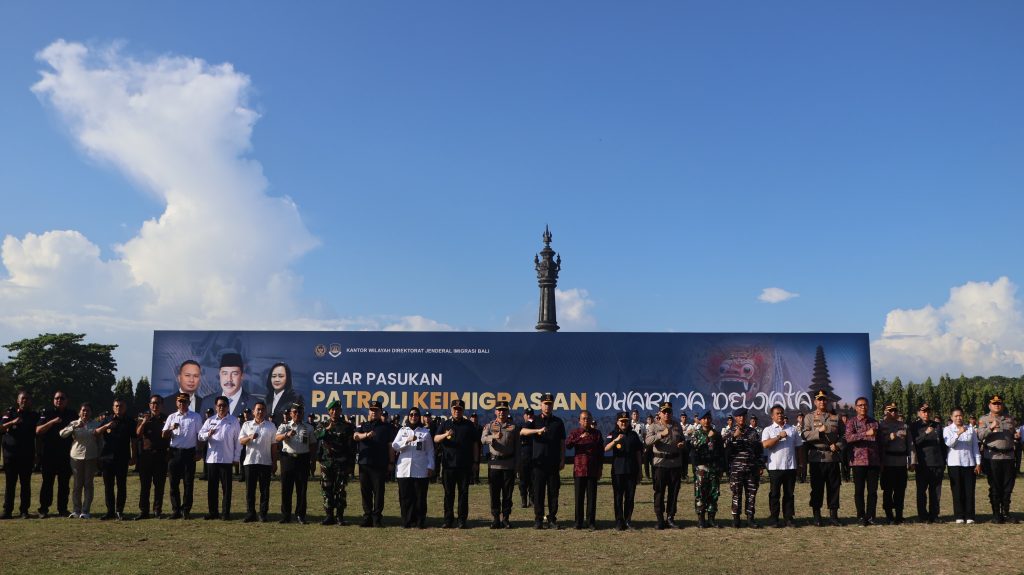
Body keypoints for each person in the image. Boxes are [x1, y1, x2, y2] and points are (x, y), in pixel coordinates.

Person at [519, 393, 566, 529]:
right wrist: (537, 431)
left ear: (552, 405)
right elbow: (522, 431)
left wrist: (562, 459)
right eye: (545, 404)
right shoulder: (534, 420)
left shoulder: (558, 422)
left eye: (550, 404)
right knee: (538, 492)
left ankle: (552, 519)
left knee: (553, 492)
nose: (547, 406)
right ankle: (538, 519)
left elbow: (562, 443)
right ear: (540, 405)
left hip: (553, 463)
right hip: (538, 463)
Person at [800, 390, 845, 526]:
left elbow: (844, 436)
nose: (822, 402)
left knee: (834, 487)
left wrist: (837, 445)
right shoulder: (809, 417)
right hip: (816, 458)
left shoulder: (836, 418)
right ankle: (817, 515)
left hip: (832, 457)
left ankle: (833, 515)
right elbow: (805, 435)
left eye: (824, 399)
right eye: (819, 399)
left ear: (828, 401)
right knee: (817, 488)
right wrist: (818, 433)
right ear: (815, 402)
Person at [434, 399, 477, 528]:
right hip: (448, 465)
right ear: (451, 410)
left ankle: (462, 520)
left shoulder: (469, 425)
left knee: (463, 494)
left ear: (463, 411)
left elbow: (475, 444)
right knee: (448, 494)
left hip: (464, 465)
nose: (457, 411)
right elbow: (436, 439)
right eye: (454, 409)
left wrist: (476, 462)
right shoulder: (445, 423)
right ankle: (448, 520)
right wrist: (445, 434)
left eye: (459, 409)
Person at [197, 395, 241, 520]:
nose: (222, 407)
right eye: (219, 405)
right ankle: (213, 512)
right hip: (212, 459)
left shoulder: (233, 421)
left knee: (226, 489)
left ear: (228, 407)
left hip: (227, 460)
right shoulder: (210, 421)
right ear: (216, 407)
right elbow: (200, 436)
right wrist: (207, 434)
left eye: (224, 405)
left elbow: (238, 441)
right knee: (212, 488)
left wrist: (236, 457)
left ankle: (225, 513)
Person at [977, 394, 1018, 523]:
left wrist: (1016, 436)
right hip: (993, 457)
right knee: (995, 486)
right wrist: (990, 427)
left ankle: (1006, 512)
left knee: (1008, 487)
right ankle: (996, 514)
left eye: (999, 403)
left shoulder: (1009, 419)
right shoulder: (984, 419)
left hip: (1009, 457)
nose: (997, 405)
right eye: (994, 403)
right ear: (990, 405)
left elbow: (1013, 434)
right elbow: (980, 436)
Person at [162, 392, 203, 519]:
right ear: (176, 403)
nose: (182, 404)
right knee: (173, 483)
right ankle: (176, 510)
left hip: (189, 453)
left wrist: (199, 452)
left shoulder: (195, 417)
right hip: (174, 453)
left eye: (184, 402)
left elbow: (200, 436)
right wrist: (171, 429)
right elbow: (164, 435)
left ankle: (186, 510)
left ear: (189, 403)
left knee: (188, 483)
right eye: (180, 401)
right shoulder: (172, 417)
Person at [392, 407, 434, 528]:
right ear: (408, 416)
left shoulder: (425, 432)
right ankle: (407, 521)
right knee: (405, 497)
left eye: (416, 415)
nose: (413, 417)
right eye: (411, 414)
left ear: (419, 417)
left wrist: (431, 466)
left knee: (420, 497)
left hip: (420, 469)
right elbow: (395, 446)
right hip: (404, 469)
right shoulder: (402, 430)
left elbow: (430, 451)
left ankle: (420, 521)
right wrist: (407, 440)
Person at [645, 401, 685, 529]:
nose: (667, 414)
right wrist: (660, 434)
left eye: (669, 412)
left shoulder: (677, 425)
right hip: (660, 464)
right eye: (664, 412)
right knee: (659, 492)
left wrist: (682, 444)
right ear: (660, 413)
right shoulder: (654, 426)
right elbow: (647, 441)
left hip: (675, 464)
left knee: (673, 493)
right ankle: (660, 519)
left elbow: (682, 439)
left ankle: (670, 517)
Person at [35, 390, 75, 518]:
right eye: (57, 398)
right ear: (53, 400)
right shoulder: (46, 413)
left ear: (67, 400)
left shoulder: (72, 414)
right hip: (49, 454)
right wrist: (52, 422)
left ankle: (62, 509)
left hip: (65, 454)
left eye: (62, 398)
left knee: (64, 484)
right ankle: (44, 509)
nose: (59, 400)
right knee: (47, 483)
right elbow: (38, 431)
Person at [761, 404, 803, 528]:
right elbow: (765, 445)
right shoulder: (768, 430)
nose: (780, 415)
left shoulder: (792, 429)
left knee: (789, 494)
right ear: (772, 416)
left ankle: (788, 518)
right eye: (777, 413)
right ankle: (774, 518)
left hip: (790, 467)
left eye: (781, 413)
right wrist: (779, 436)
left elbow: (799, 447)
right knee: (774, 494)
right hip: (775, 467)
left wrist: (800, 464)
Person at [354, 400, 394, 527]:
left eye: (376, 410)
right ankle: (367, 517)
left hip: (379, 464)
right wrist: (366, 435)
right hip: (364, 464)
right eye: (372, 410)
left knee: (378, 492)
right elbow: (355, 436)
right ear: (368, 411)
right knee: (365, 492)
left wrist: (391, 462)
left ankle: (377, 518)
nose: (374, 412)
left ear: (381, 412)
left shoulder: (387, 427)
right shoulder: (362, 425)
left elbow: (390, 446)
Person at [1, 391, 40, 519]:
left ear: (30, 401)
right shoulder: (10, 413)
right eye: (22, 398)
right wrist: (12, 423)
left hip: (27, 455)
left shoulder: (34, 416)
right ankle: (7, 511)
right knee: (10, 484)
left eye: (27, 399)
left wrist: (36, 454)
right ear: (18, 400)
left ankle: (24, 511)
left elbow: (37, 436)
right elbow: (1, 427)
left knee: (25, 484)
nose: (25, 400)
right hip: (11, 455)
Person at [316, 400, 356, 525]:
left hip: (342, 463)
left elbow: (351, 448)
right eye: (332, 410)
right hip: (326, 463)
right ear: (329, 411)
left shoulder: (347, 426)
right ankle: (329, 515)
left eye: (337, 409)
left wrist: (351, 465)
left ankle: (339, 516)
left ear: (340, 411)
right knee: (326, 489)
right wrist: (327, 429)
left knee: (340, 490)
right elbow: (317, 435)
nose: (334, 412)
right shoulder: (323, 424)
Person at [276, 402, 316, 524]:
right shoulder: (284, 426)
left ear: (303, 413)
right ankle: (286, 515)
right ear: (290, 413)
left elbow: (313, 444)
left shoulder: (309, 427)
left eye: (300, 412)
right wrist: (286, 434)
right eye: (295, 412)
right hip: (288, 459)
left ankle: (300, 515)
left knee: (302, 489)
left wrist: (313, 461)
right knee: (286, 489)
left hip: (303, 459)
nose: (297, 414)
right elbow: (276, 438)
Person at [723, 407, 764, 528]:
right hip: (736, 469)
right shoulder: (730, 432)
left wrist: (761, 465)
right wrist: (734, 437)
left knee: (751, 494)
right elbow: (724, 448)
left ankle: (750, 518)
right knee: (736, 493)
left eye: (743, 416)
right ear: (735, 418)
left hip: (751, 469)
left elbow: (759, 450)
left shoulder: (753, 432)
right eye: (739, 416)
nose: (741, 418)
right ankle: (736, 518)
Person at [97, 398, 136, 520]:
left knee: (121, 485)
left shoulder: (130, 421)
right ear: (113, 407)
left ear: (125, 407)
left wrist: (134, 456)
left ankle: (119, 511)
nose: (119, 408)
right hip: (107, 458)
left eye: (121, 406)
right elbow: (96, 432)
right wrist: (107, 426)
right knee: (108, 486)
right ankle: (110, 511)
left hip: (122, 458)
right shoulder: (106, 420)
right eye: (116, 406)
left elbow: (134, 440)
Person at [481, 400, 518, 529]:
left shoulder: (513, 427)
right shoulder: (490, 425)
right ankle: (496, 518)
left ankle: (506, 518)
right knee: (495, 493)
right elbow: (483, 439)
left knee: (508, 494)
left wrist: (517, 466)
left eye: (504, 410)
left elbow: (517, 447)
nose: (502, 412)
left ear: (508, 412)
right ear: (496, 411)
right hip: (494, 464)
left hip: (508, 464)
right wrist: (493, 437)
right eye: (499, 410)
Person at [60, 403, 100, 518]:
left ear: (91, 413)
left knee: (88, 484)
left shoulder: (96, 424)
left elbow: (100, 441)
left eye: (87, 410)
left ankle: (85, 511)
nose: (85, 413)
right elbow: (62, 434)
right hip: (76, 457)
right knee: (77, 484)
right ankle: (76, 510)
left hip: (91, 457)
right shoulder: (74, 423)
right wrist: (74, 427)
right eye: (83, 410)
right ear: (79, 412)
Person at [240, 401, 277, 522]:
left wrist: (274, 462)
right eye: (258, 409)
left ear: (265, 412)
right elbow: (241, 441)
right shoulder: (246, 425)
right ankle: (251, 513)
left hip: (265, 462)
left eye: (262, 410)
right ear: (253, 411)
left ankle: (263, 513)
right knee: (250, 490)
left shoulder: (271, 426)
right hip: (250, 462)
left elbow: (274, 446)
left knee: (264, 490)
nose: (260, 412)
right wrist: (249, 437)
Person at [845, 397, 880, 526]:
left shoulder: (875, 423)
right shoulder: (851, 422)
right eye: (860, 405)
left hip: (873, 461)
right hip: (858, 462)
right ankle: (861, 516)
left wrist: (881, 461)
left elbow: (879, 442)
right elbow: (848, 438)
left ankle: (871, 516)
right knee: (859, 491)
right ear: (856, 407)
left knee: (872, 491)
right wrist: (865, 433)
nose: (863, 407)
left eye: (865, 405)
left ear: (868, 407)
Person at [566, 410, 603, 530]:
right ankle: (578, 522)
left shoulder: (597, 434)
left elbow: (600, 452)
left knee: (592, 497)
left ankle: (591, 522)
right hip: (579, 469)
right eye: (584, 418)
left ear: (591, 420)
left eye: (588, 418)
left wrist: (600, 468)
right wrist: (579, 438)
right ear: (579, 420)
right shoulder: (575, 432)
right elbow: (568, 445)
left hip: (592, 469)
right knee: (579, 497)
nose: (586, 420)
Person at [878, 402, 915, 524]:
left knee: (900, 490)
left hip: (901, 462)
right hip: (887, 462)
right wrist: (888, 438)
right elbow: (877, 444)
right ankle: (889, 515)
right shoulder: (881, 425)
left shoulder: (904, 426)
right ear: (885, 412)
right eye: (890, 410)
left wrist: (912, 461)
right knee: (888, 490)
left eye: (895, 410)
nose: (893, 412)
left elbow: (910, 445)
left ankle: (899, 515)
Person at [909, 403, 946, 523]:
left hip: (937, 463)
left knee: (936, 492)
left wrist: (943, 461)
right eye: (923, 411)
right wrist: (925, 434)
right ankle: (923, 515)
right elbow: (913, 443)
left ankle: (934, 515)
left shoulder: (937, 425)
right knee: (921, 491)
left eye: (928, 411)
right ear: (918, 413)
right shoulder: (914, 426)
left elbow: (942, 445)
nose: (926, 413)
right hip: (923, 464)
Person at [605, 411, 643, 530]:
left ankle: (628, 520)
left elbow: (638, 453)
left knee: (630, 497)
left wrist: (640, 470)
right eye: (621, 421)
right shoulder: (613, 434)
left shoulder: (633, 435)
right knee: (618, 497)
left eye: (626, 421)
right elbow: (605, 448)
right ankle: (619, 521)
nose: (624, 423)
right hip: (618, 471)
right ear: (617, 422)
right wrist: (615, 441)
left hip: (631, 470)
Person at [135, 394, 169, 519]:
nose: (155, 406)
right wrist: (144, 422)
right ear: (149, 405)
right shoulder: (143, 417)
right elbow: (138, 434)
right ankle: (144, 511)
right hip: (146, 456)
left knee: (159, 485)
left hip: (161, 456)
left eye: (158, 403)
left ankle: (157, 511)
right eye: (153, 403)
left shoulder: (166, 419)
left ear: (162, 405)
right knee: (145, 485)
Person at [945, 408, 981, 524]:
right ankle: (959, 515)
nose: (958, 418)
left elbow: (975, 446)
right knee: (957, 490)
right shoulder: (947, 429)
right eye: (956, 416)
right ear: (951, 417)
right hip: (954, 464)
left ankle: (970, 515)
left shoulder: (970, 429)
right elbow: (950, 443)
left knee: (969, 491)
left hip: (969, 463)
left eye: (960, 415)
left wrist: (978, 463)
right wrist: (959, 433)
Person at [691, 410, 724, 528]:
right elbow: (695, 450)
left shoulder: (716, 434)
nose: (706, 421)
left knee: (713, 493)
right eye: (704, 418)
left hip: (714, 468)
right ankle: (701, 519)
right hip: (701, 468)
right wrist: (706, 439)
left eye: (708, 418)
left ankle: (711, 519)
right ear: (700, 420)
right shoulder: (696, 434)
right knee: (700, 493)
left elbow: (721, 452)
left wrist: (721, 468)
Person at [200, 352, 257, 418]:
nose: (229, 379)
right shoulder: (207, 402)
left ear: (242, 376)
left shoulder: (254, 404)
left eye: (234, 374)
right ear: (219, 374)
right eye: (225, 373)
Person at [265, 362, 302, 426]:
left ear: (287, 378)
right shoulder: (267, 398)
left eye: (281, 376)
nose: (277, 379)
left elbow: (297, 419)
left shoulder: (295, 398)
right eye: (273, 376)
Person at [518, 408, 535, 508]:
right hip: (523, 456)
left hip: (534, 455)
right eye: (527, 414)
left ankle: (532, 500)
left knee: (533, 479)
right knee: (523, 480)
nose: (529, 416)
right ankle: (524, 500)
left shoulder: (535, 425)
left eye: (531, 414)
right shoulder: (522, 426)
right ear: (524, 415)